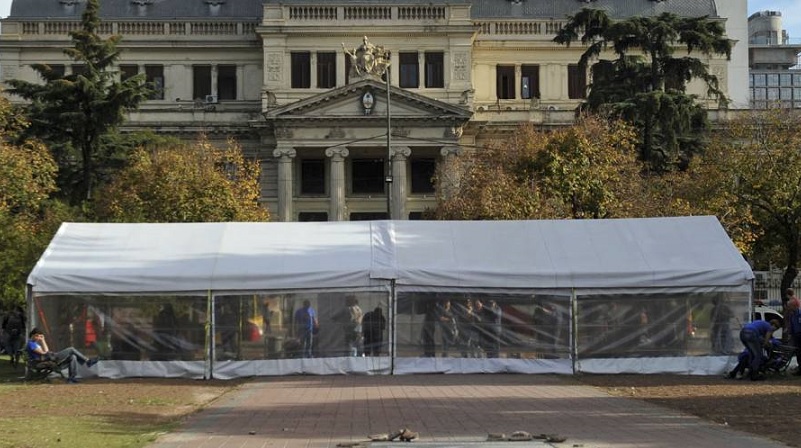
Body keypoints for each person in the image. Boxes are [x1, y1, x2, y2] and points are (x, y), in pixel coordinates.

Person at [26, 327, 98, 383]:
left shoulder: (36, 343)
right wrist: (45, 350)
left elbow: (46, 351)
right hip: (49, 359)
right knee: (71, 349)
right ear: (32, 335)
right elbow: (43, 353)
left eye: (39, 336)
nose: (38, 338)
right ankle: (87, 361)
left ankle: (71, 378)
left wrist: (43, 340)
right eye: (37, 336)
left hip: (49, 358)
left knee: (73, 357)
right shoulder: (31, 344)